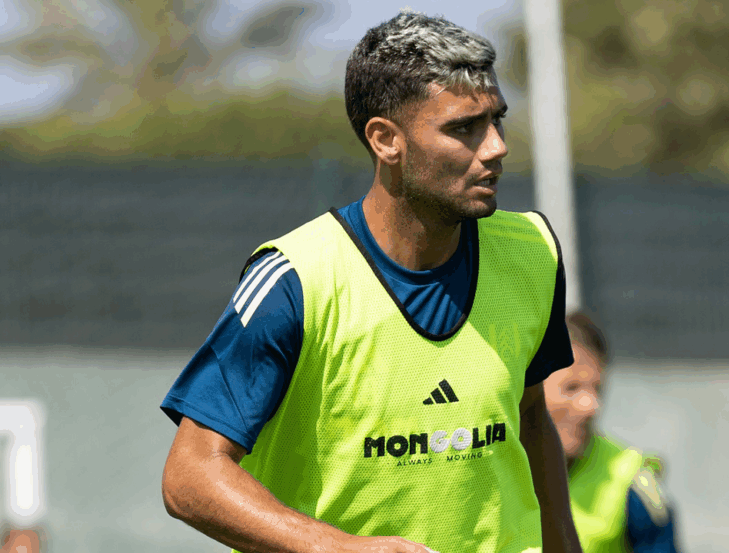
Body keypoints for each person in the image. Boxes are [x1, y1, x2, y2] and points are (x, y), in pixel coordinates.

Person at [159, 11, 582, 553]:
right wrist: (340, 547)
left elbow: (528, 417)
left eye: (496, 120)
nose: (496, 147)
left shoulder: (533, 252)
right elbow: (190, 476)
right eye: (463, 128)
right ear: (386, 140)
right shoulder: (296, 279)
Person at [544, 312, 680, 553]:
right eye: (571, 387)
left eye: (597, 388)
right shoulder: (488, 467)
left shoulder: (629, 478)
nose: (591, 406)